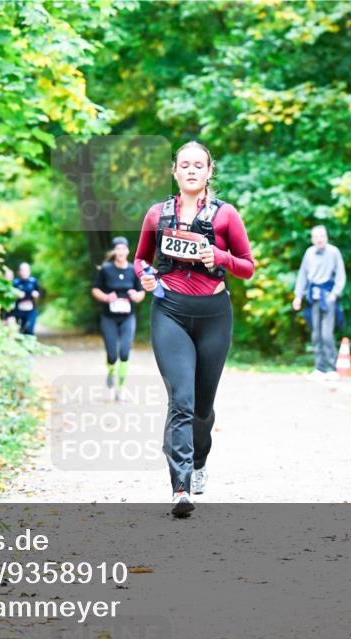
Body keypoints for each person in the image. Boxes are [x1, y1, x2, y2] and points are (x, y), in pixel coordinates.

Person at [134, 140, 255, 517]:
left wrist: (218, 256)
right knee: (181, 401)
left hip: (214, 315)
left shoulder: (226, 215)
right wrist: (146, 276)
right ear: (174, 171)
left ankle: (199, 460)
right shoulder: (157, 214)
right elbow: (140, 260)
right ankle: (181, 487)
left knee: (202, 407)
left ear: (209, 171)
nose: (191, 170)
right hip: (169, 311)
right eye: (184, 164)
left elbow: (248, 267)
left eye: (198, 165)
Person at [91, 236, 146, 400]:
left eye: (123, 248)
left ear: (128, 251)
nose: (121, 251)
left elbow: (142, 292)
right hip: (109, 317)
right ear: (114, 251)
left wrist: (136, 295)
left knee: (124, 352)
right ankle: (110, 371)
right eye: (118, 248)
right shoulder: (106, 270)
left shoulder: (134, 270)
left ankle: (120, 389)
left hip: (128, 317)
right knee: (112, 355)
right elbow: (95, 289)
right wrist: (106, 297)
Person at [292, 225, 347, 381]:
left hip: (328, 297)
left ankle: (332, 368)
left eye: (322, 236)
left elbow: (341, 275)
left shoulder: (334, 252)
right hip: (313, 297)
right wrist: (298, 296)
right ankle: (319, 368)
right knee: (315, 334)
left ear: (326, 237)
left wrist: (335, 293)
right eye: (316, 237)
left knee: (326, 334)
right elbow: (302, 275)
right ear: (312, 239)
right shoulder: (309, 253)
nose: (319, 239)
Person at [12, 262, 41, 336]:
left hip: (31, 309)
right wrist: (16, 294)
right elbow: (10, 295)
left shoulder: (33, 281)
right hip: (19, 310)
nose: (24, 272)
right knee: (20, 329)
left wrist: (36, 294)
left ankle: (30, 340)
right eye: (22, 270)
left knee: (29, 329)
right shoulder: (15, 283)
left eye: (26, 270)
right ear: (19, 272)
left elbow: (39, 292)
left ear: (29, 271)